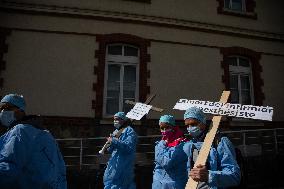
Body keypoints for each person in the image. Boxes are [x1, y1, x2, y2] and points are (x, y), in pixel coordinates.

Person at [0, 94, 67, 189]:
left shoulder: (20, 132)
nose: (3, 111)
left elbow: (8, 167)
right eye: (1, 108)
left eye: (7, 107)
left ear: (21, 111)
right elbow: (60, 170)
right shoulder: (45, 134)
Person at [183, 107, 241, 188]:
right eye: (187, 125)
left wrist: (209, 176)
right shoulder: (189, 144)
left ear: (203, 122)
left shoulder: (220, 142)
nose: (190, 128)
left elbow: (234, 176)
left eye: (193, 124)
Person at [152, 115, 188, 189]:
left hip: (173, 184)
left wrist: (160, 146)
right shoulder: (162, 143)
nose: (164, 131)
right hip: (158, 183)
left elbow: (166, 162)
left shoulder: (182, 144)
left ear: (173, 127)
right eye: (162, 128)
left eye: (167, 127)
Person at [103, 112, 137, 189]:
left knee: (123, 183)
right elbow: (110, 149)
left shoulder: (130, 131)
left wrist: (114, 141)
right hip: (114, 162)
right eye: (114, 119)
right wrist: (109, 145)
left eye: (117, 119)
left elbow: (128, 148)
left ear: (123, 120)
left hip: (124, 162)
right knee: (110, 182)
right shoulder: (116, 131)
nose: (115, 121)